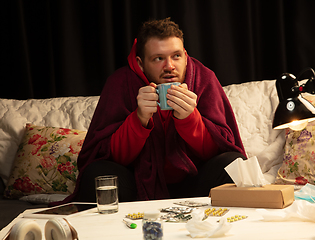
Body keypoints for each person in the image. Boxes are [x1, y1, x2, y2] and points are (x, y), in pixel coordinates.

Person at [53, 18, 246, 205]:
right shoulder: (120, 83)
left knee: (234, 163)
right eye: (158, 58)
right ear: (140, 63)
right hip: (138, 185)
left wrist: (190, 119)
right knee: (97, 174)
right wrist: (139, 120)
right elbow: (107, 155)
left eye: (176, 56)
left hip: (194, 182)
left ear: (186, 56)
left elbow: (221, 148)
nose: (169, 66)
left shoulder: (204, 79)